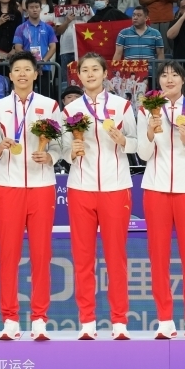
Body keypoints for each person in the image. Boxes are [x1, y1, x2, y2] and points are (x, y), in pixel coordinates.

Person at [61, 53, 138, 340]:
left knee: (116, 257)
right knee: (82, 258)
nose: (90, 74)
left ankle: (119, 322)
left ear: (105, 73)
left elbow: (139, 145)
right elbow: (65, 150)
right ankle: (87, 322)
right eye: (85, 70)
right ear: (78, 76)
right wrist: (72, 152)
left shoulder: (122, 106)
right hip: (81, 186)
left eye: (95, 69)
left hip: (116, 188)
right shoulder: (69, 111)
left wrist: (123, 141)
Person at [0, 51, 62, 341]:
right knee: (8, 255)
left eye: (26, 70)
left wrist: (51, 156)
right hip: (9, 186)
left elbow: (61, 146)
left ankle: (40, 318)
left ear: (35, 74)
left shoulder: (50, 105)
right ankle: (9, 319)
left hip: (42, 186)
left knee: (42, 254)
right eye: (16, 69)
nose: (21, 74)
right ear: (10, 75)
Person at [136, 61, 185, 339]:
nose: (169, 80)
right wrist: (149, 133)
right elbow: (143, 155)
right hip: (155, 190)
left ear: (183, 80)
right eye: (164, 75)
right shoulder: (148, 110)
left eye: (174, 75)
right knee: (158, 257)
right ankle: (165, 320)